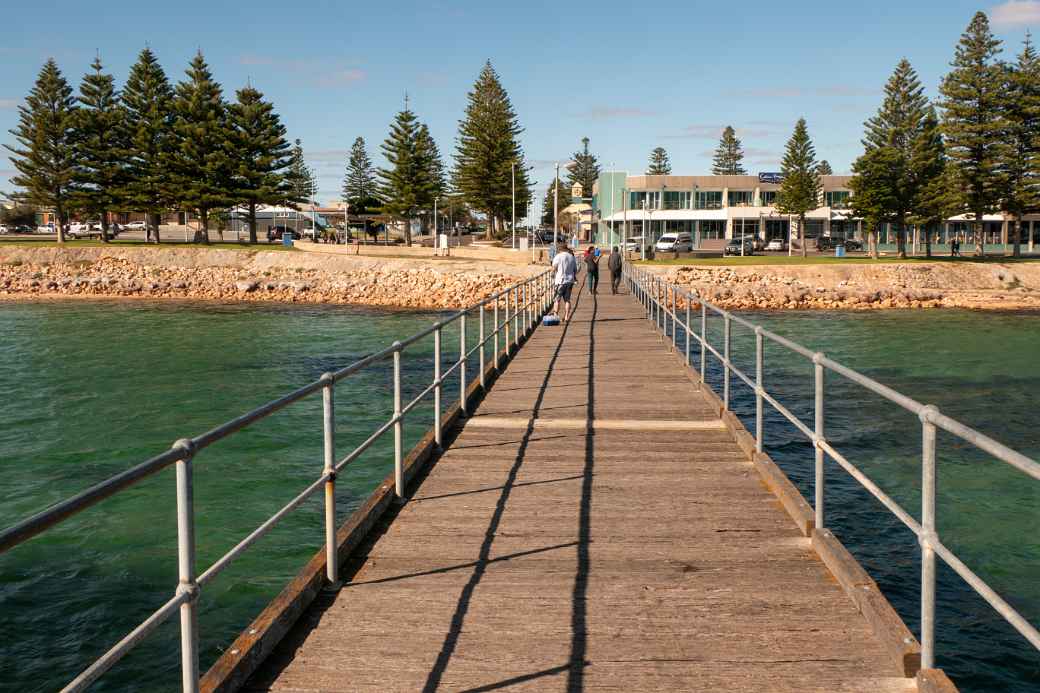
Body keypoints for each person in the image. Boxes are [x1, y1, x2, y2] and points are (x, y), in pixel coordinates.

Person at [552, 242, 577, 321]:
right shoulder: (571, 257)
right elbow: (575, 270)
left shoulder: (558, 256)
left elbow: (554, 267)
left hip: (560, 281)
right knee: (567, 300)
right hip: (569, 281)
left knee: (557, 299)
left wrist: (552, 274)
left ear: (559, 249)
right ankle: (566, 316)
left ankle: (556, 316)